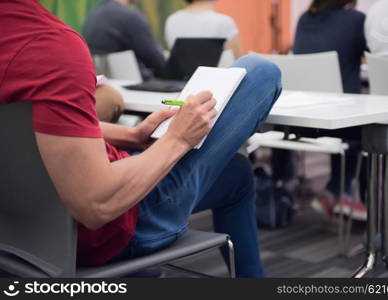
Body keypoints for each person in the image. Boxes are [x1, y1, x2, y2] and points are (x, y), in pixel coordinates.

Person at [0, 0, 282, 278]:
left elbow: (34, 129)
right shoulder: (51, 45)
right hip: (112, 227)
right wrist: (177, 139)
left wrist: (130, 135)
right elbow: (97, 204)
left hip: (21, 230)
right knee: (260, 71)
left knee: (236, 174)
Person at [272, 0, 368, 221]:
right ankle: (338, 193)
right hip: (340, 123)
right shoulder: (356, 20)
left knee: (350, 117)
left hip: (301, 119)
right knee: (367, 128)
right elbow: (372, 51)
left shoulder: (304, 19)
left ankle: (287, 183)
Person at [83, 0, 166, 81]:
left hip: (105, 85)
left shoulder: (92, 14)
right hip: (137, 86)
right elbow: (158, 64)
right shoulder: (131, 17)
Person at [165, 0, 243, 59]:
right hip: (216, 77)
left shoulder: (172, 20)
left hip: (182, 78)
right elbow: (237, 61)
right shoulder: (224, 22)